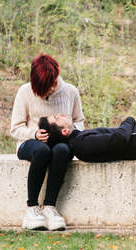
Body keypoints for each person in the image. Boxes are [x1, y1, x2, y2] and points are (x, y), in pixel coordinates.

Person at [10, 54, 84, 230]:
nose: (49, 90)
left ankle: (50, 207)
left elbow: (79, 122)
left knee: (62, 151)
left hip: (60, 143)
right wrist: (34, 134)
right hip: (30, 143)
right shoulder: (25, 92)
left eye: (51, 86)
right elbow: (15, 129)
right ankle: (32, 209)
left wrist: (67, 129)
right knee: (43, 151)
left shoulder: (70, 92)